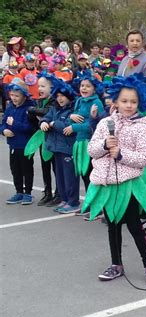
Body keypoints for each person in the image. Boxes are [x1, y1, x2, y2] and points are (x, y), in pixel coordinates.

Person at [80, 74, 146, 283]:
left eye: (133, 101)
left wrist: (122, 154)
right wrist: (105, 145)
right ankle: (116, 264)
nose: (129, 105)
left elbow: (145, 157)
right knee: (113, 225)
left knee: (134, 225)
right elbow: (91, 150)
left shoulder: (142, 126)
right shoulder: (105, 123)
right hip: (106, 185)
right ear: (115, 101)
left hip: (128, 185)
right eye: (124, 101)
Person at [39, 79, 80, 213]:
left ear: (69, 96)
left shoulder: (73, 111)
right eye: (58, 96)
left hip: (68, 149)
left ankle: (73, 201)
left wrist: (53, 124)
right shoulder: (54, 108)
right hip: (56, 149)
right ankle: (64, 199)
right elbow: (46, 117)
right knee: (60, 177)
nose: (60, 98)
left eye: (63, 96)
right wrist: (44, 123)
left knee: (70, 177)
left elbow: (66, 127)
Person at [69, 71, 105, 214]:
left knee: (91, 175)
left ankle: (98, 206)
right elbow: (70, 119)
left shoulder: (96, 102)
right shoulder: (78, 101)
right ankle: (89, 203)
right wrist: (71, 116)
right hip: (79, 142)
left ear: (94, 89)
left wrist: (74, 127)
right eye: (82, 86)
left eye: (88, 86)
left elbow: (96, 126)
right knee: (84, 174)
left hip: (90, 142)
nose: (84, 88)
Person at [25, 72, 60, 206]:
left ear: (52, 88)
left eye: (43, 86)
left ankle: (59, 193)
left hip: (54, 138)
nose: (40, 89)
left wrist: (32, 110)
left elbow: (48, 113)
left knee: (56, 168)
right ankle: (47, 192)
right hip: (42, 138)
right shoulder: (39, 101)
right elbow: (32, 119)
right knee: (45, 167)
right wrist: (32, 113)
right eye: (39, 86)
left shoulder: (55, 101)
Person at [0, 79, 35, 204]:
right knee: (15, 169)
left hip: (25, 145)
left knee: (26, 169)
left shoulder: (29, 109)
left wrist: (14, 124)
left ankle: (28, 193)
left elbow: (30, 128)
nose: (14, 98)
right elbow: (3, 123)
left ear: (24, 96)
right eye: (12, 95)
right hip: (13, 144)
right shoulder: (10, 107)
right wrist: (4, 131)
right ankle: (19, 191)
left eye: (17, 96)